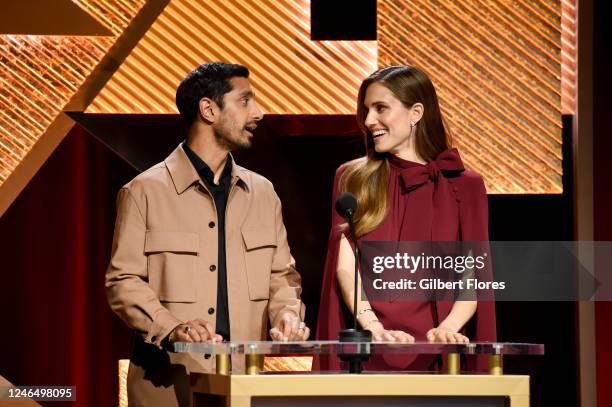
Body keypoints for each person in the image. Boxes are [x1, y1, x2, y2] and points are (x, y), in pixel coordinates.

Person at [106, 62, 310, 407]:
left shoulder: (263, 193)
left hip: (243, 387)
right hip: (167, 388)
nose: (258, 113)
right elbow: (123, 281)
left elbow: (282, 276)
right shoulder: (143, 191)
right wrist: (172, 328)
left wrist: (288, 314)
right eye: (245, 101)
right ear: (208, 109)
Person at [316, 65, 496, 371]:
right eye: (367, 110)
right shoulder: (351, 178)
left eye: (381, 108)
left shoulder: (465, 185)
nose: (369, 120)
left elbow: (473, 275)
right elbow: (345, 268)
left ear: (415, 113)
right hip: (369, 348)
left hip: (439, 353)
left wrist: (449, 329)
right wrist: (372, 327)